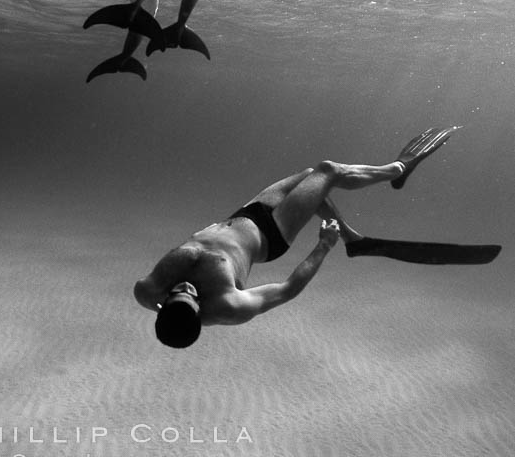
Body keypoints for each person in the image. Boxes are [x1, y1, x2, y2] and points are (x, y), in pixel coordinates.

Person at [134, 127, 459, 348]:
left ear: (161, 305)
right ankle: (399, 168)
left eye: (179, 290)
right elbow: (288, 289)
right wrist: (322, 246)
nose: (187, 287)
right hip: (272, 234)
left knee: (308, 178)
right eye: (192, 295)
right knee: (328, 171)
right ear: (201, 311)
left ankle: (354, 240)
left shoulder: (147, 290)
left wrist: (177, 298)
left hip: (246, 215)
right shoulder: (228, 306)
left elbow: (169, 302)